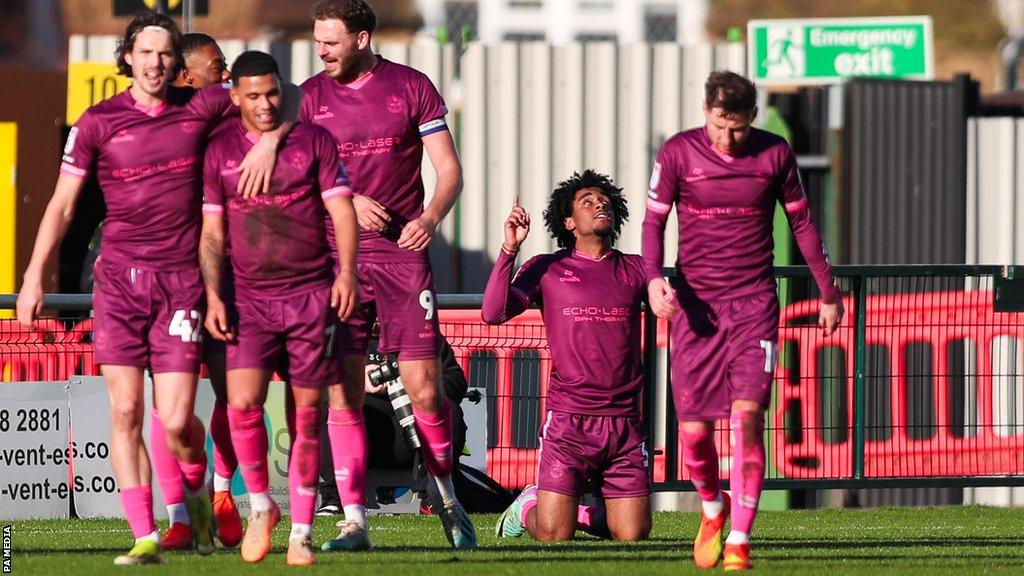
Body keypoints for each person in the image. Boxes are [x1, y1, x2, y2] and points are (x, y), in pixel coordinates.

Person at [15, 12, 280, 565]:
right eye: (146, 52)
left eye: (165, 53)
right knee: (125, 410)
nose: (155, 62)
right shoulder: (96, 122)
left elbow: (281, 96)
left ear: (174, 63)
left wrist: (270, 141)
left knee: (179, 419)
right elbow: (63, 204)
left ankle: (199, 491)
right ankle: (145, 534)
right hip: (118, 287)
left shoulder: (201, 106)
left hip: (181, 285)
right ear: (128, 58)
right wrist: (34, 274)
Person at [641, 70, 844, 571]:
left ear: (752, 117)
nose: (727, 139)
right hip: (696, 309)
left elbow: (802, 222)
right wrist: (652, 279)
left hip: (753, 305)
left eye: (736, 128)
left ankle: (739, 542)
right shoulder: (677, 153)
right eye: (717, 126)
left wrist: (828, 291)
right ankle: (713, 509)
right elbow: (653, 222)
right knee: (692, 433)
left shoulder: (774, 153)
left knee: (748, 419)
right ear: (705, 111)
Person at [299, 0, 475, 551]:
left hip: (402, 259)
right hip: (338, 261)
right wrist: (345, 199)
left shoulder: (411, 87)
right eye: (317, 40)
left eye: (331, 40)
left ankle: (446, 491)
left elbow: (449, 171)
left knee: (425, 392)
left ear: (362, 38)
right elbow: (295, 180)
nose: (321, 50)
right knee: (343, 393)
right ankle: (354, 522)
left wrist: (428, 218)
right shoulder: (307, 98)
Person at [200, 50, 358, 566]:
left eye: (272, 93)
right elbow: (211, 233)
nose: (264, 104)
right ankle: (262, 507)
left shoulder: (314, 141)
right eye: (253, 96)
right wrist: (216, 294)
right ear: (235, 97)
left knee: (307, 415)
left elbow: (341, 210)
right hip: (249, 301)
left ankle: (302, 534)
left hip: (311, 297)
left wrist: (347, 272)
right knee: (242, 403)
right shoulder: (218, 150)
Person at [482, 170, 651, 542]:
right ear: (569, 222)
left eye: (604, 200)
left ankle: (587, 511)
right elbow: (493, 312)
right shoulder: (547, 268)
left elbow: (678, 302)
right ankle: (527, 505)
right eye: (587, 201)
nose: (599, 204)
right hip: (569, 423)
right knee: (553, 536)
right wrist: (510, 248)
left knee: (633, 536)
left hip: (624, 422)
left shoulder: (638, 268)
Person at [145, 31, 241, 552]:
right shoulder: (157, 120)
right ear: (186, 76)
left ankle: (223, 496)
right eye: (217, 67)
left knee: (235, 392)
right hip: (169, 279)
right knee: (169, 408)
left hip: (228, 275)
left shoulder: (229, 115)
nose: (225, 76)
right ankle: (184, 513)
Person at [315, 329, 469, 515]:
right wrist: (356, 381)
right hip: (358, 438)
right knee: (330, 406)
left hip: (413, 440)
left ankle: (436, 495)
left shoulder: (420, 331)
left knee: (447, 409)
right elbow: (313, 387)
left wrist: (414, 384)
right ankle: (335, 497)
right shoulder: (339, 334)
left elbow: (456, 380)